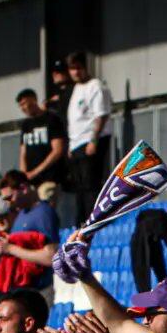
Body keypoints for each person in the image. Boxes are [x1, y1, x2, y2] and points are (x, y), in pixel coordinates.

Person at [65, 51, 113, 224]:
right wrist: (71, 145)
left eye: (78, 68)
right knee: (79, 186)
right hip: (77, 143)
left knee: (90, 183)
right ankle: (82, 221)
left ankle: (94, 219)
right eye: (72, 69)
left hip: (90, 140)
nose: (75, 72)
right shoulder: (76, 88)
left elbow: (101, 115)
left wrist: (94, 140)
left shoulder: (96, 86)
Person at [17, 87, 69, 187]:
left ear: (33, 100)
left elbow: (57, 150)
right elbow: (23, 153)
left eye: (24, 103)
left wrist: (36, 171)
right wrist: (23, 176)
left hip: (50, 177)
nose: (23, 108)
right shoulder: (26, 125)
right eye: (20, 105)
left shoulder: (51, 119)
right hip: (31, 181)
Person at [0, 170, 59, 240]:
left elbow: (52, 249)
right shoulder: (21, 213)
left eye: (10, 198)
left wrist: (10, 248)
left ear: (24, 188)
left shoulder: (43, 213)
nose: (8, 203)